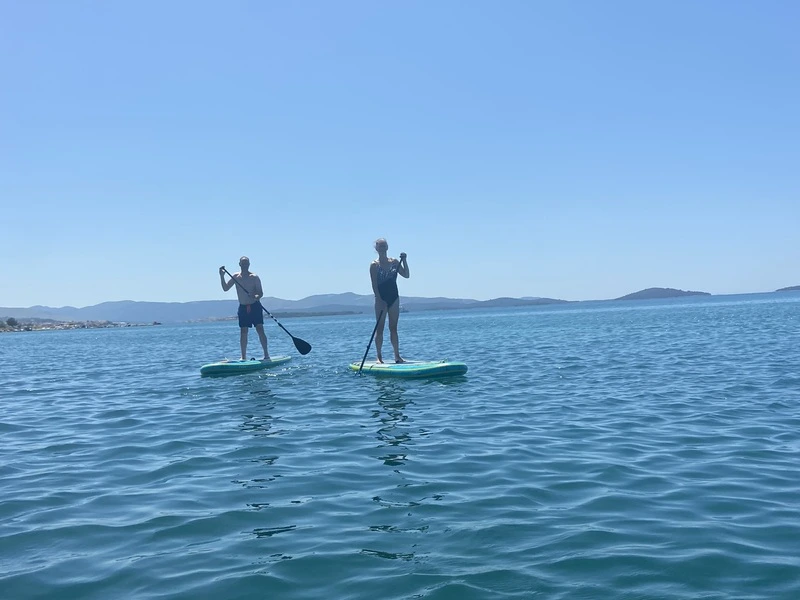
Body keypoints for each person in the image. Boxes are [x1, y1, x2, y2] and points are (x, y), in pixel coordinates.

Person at [219, 256, 270, 361]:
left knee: (260, 329)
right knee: (243, 331)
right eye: (243, 263)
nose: (245, 265)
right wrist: (222, 276)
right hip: (243, 307)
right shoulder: (235, 277)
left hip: (255, 306)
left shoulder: (254, 277)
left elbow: (260, 293)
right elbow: (225, 288)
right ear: (240, 264)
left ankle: (266, 355)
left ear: (249, 264)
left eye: (246, 263)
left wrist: (255, 296)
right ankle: (243, 357)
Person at [370, 238, 409, 363]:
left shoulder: (394, 262)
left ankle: (397, 356)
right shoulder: (374, 265)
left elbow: (406, 275)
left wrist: (404, 261)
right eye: (380, 246)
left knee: (393, 328)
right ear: (376, 249)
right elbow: (374, 285)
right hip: (381, 299)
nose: (382, 248)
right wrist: (379, 299)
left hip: (394, 298)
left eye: (384, 246)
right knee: (380, 328)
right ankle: (379, 356)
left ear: (387, 247)